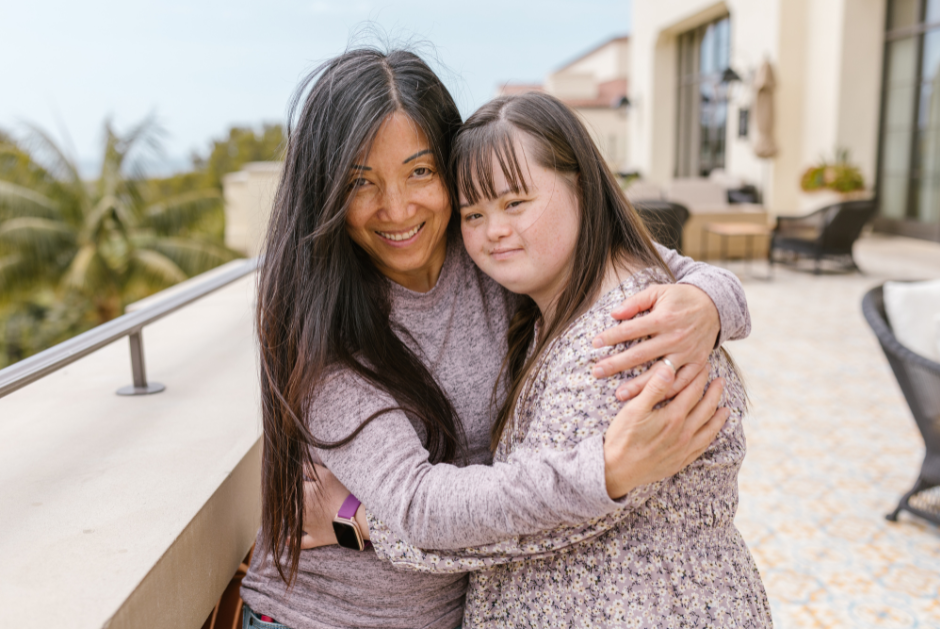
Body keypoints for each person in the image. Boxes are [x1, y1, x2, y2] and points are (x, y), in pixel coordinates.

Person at [240, 47, 752, 629]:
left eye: (420, 171)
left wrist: (709, 303)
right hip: (322, 618)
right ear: (326, 194)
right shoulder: (322, 328)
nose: (397, 207)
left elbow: (654, 262)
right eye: (362, 183)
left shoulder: (489, 244)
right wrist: (604, 471)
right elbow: (421, 506)